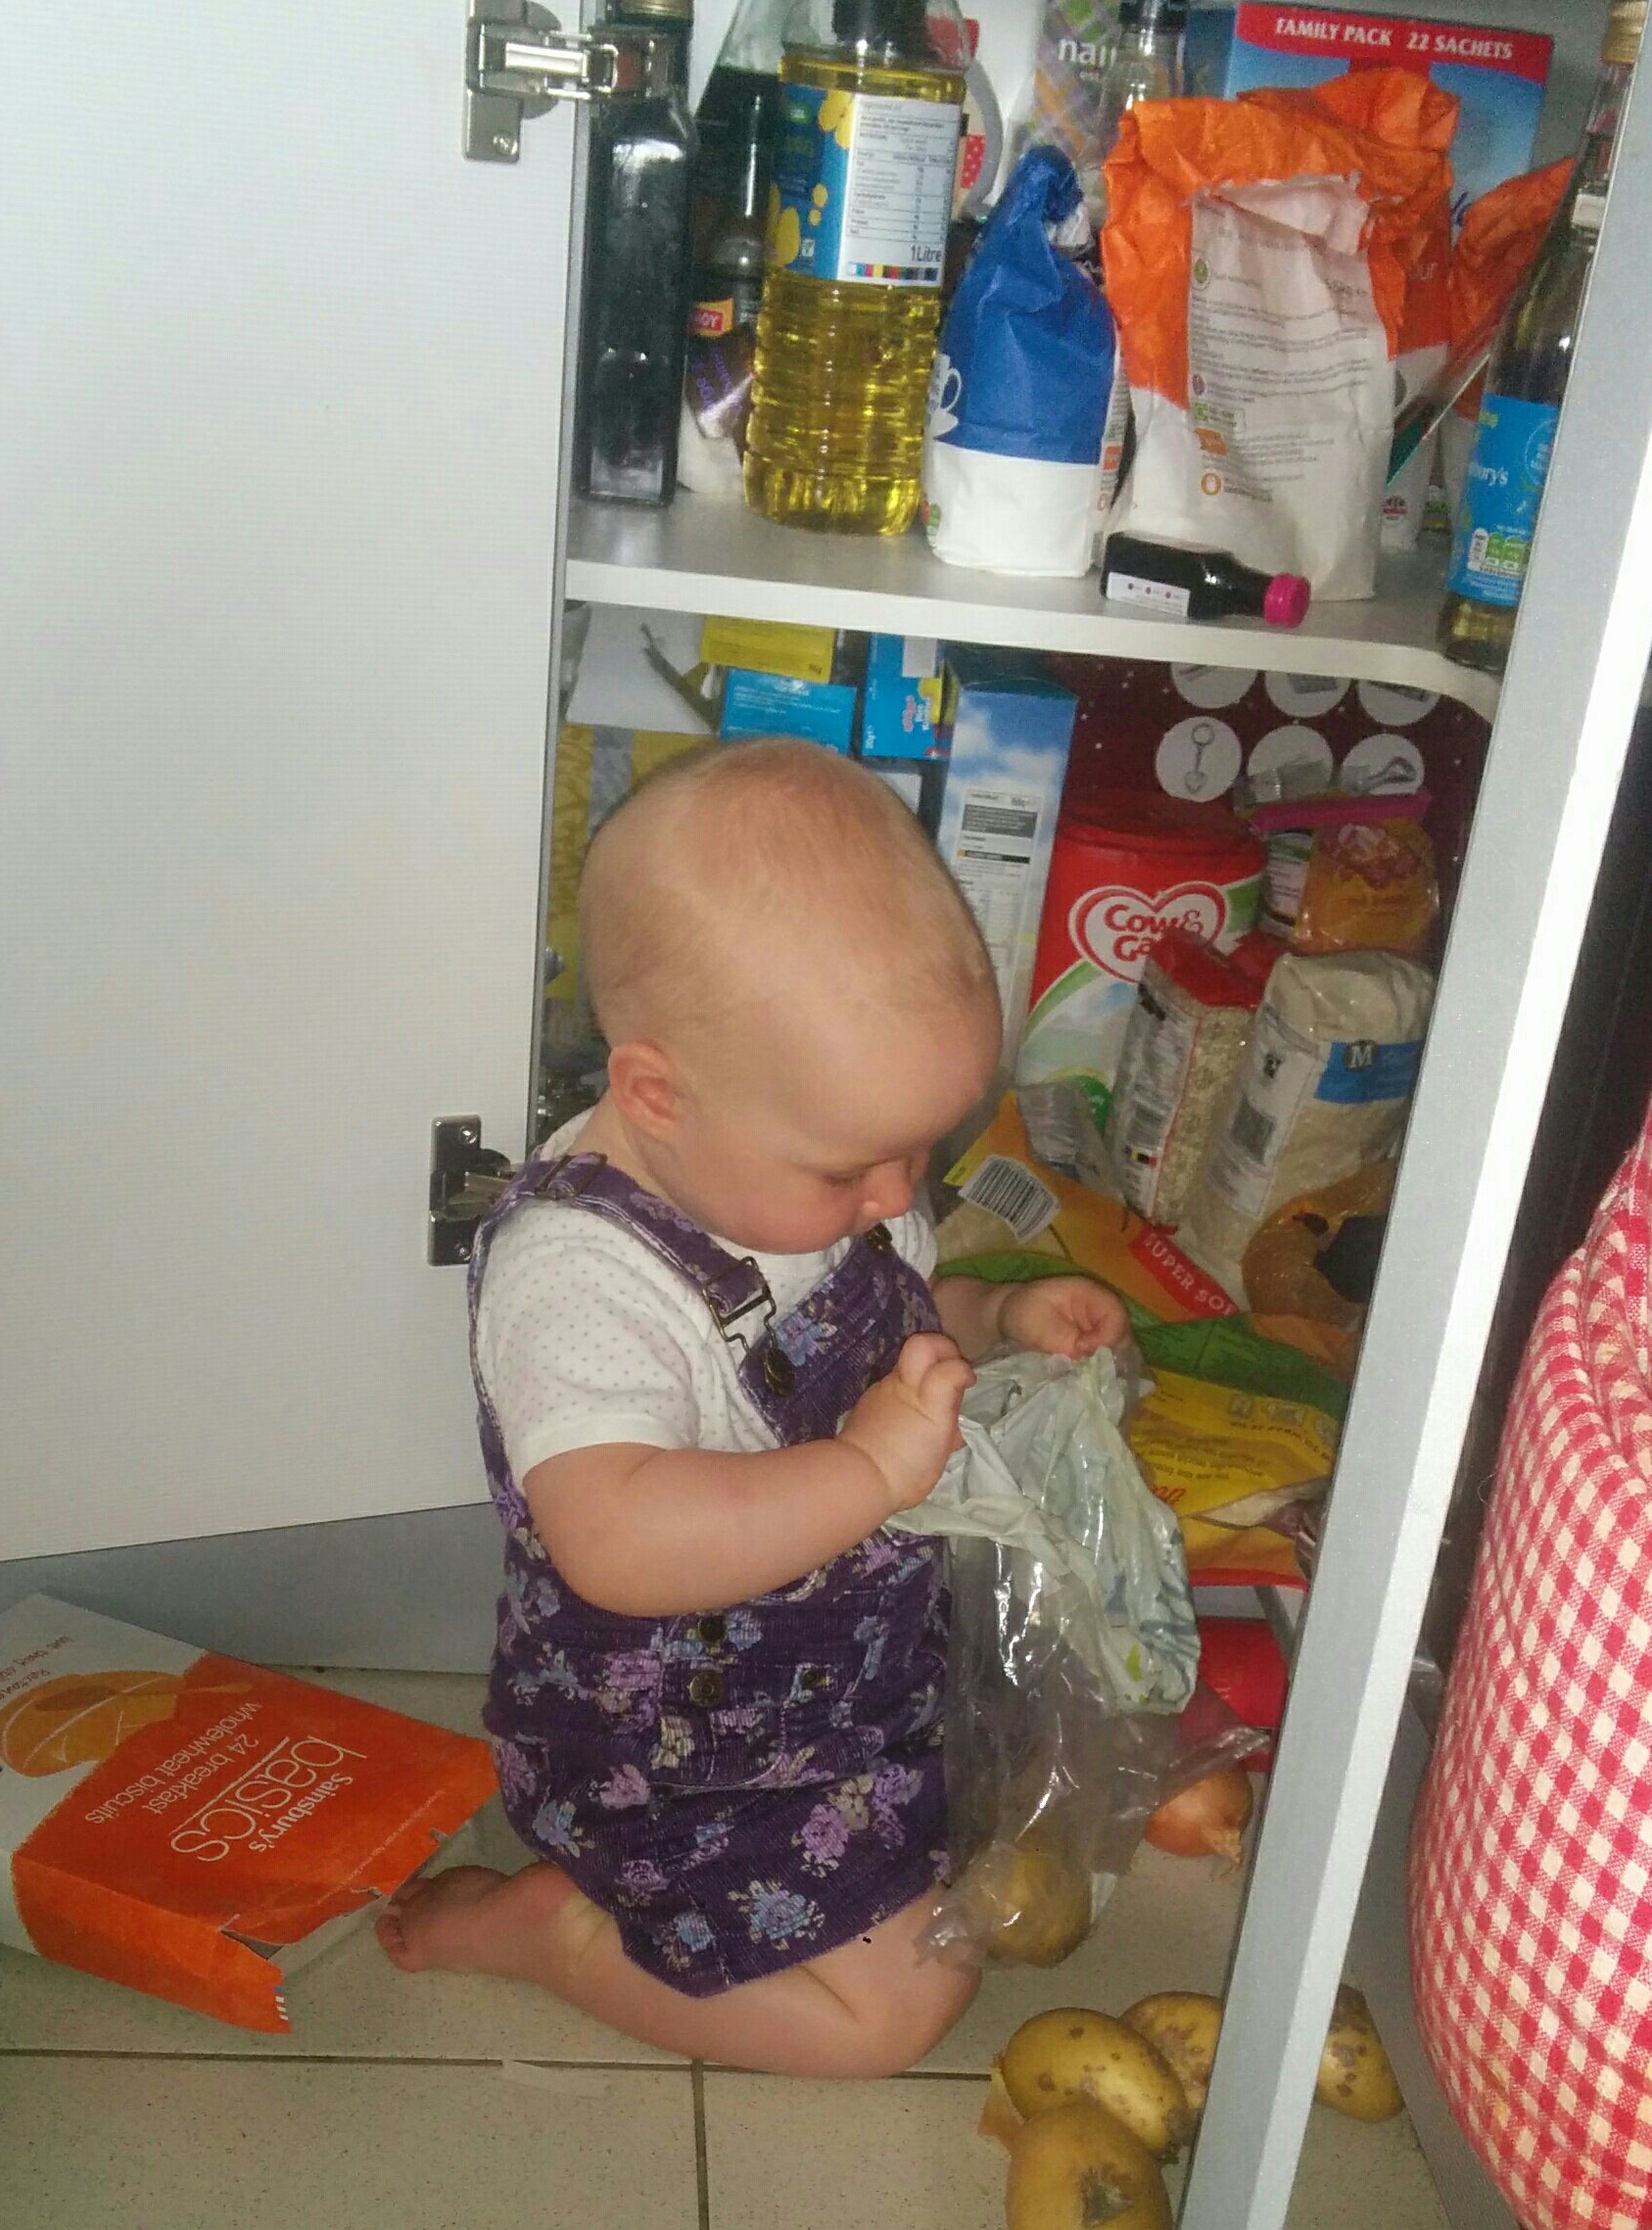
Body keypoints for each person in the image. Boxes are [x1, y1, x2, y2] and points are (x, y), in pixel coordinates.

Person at [379, 735, 1127, 2070]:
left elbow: (892, 1317)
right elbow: (616, 1537)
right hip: (678, 1755)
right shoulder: (582, 1276)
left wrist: (988, 1320)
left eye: (918, 1153)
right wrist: (871, 1471)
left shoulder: (810, 1163)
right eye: (855, 1169)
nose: (895, 1196)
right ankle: (555, 1936)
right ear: (656, 1095)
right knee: (892, 2020)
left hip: (854, 1688)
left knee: (1003, 1849)